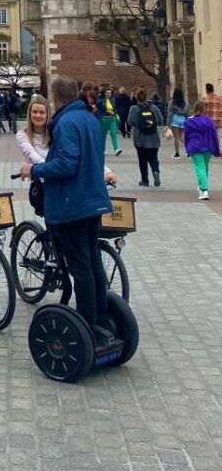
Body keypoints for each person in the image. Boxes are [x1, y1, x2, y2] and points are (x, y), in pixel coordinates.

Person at [19, 77, 113, 344]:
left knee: (81, 266)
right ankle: (101, 319)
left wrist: (33, 169)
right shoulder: (90, 120)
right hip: (93, 200)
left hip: (73, 204)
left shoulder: (66, 122)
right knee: (92, 261)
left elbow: (66, 163)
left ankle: (86, 324)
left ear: (55, 97)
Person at [184, 101, 220, 200]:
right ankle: (202, 187)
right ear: (204, 110)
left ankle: (204, 190)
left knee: (200, 168)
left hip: (195, 147)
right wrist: (217, 149)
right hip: (208, 146)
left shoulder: (188, 122)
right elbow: (214, 136)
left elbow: (186, 136)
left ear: (194, 109)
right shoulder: (209, 121)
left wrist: (187, 148)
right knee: (204, 168)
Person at [128, 88, 164, 187]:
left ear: (136, 97)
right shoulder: (154, 108)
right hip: (153, 138)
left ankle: (145, 180)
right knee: (153, 157)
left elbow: (130, 122)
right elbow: (161, 120)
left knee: (142, 159)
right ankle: (156, 171)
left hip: (140, 138)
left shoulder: (134, 108)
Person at [167, 87, 191, 159]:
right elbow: (187, 112)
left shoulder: (172, 102)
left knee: (176, 137)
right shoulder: (185, 102)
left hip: (175, 118)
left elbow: (169, 112)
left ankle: (177, 154)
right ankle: (189, 151)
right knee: (181, 136)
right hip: (183, 119)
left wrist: (168, 122)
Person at [97, 88, 122, 156]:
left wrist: (115, 115)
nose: (109, 94)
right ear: (104, 93)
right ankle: (103, 149)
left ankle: (116, 149)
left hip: (112, 119)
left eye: (110, 93)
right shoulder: (100, 100)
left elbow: (115, 108)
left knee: (113, 133)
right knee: (103, 135)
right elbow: (99, 108)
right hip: (104, 119)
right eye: (107, 93)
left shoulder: (113, 100)